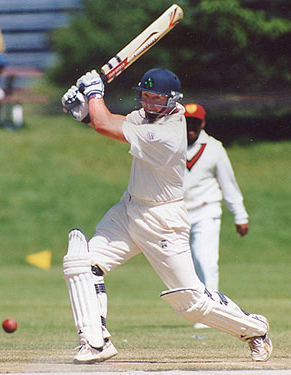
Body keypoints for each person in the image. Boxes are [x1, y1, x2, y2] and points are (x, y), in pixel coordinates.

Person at [61, 68, 272, 364]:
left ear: (173, 101)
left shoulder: (168, 134)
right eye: (144, 96)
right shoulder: (145, 117)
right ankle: (95, 342)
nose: (148, 103)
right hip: (130, 209)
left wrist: (95, 93)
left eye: (156, 98)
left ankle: (254, 329)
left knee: (191, 303)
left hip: (163, 220)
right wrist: (84, 112)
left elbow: (105, 126)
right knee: (82, 263)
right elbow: (116, 121)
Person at [183, 103, 249, 328]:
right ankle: (197, 309)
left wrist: (240, 215)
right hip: (178, 213)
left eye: (195, 122)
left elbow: (228, 184)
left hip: (206, 209)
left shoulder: (214, 148)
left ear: (202, 123)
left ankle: (211, 311)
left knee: (206, 260)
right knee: (187, 265)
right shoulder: (170, 145)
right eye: (186, 121)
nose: (190, 127)